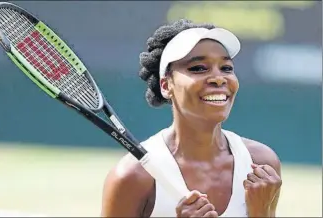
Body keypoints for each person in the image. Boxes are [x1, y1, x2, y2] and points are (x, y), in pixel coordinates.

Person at [101, 19, 282, 217]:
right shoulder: (132, 177)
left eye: (226, 68)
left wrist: (263, 212)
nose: (219, 78)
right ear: (166, 85)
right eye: (198, 68)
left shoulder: (262, 163)